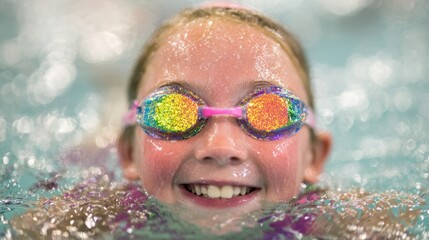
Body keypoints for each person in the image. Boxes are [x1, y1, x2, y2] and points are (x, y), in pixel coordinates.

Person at [10, 3, 422, 239]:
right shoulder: (90, 217)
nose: (220, 148)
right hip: (93, 158)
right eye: (171, 111)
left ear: (314, 156)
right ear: (129, 154)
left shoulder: (347, 224)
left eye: (269, 111)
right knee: (106, 106)